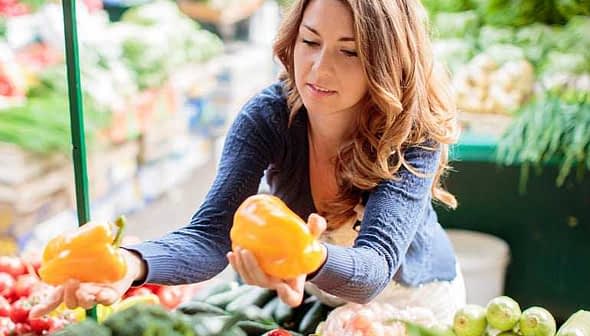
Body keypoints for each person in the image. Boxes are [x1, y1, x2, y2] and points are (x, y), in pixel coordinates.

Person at [31, 0, 466, 324]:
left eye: (348, 52)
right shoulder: (269, 116)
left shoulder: (411, 134)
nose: (318, 68)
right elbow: (209, 237)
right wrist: (129, 263)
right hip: (324, 298)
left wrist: (304, 256)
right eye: (310, 42)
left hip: (412, 300)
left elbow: (372, 271)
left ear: (385, 61)